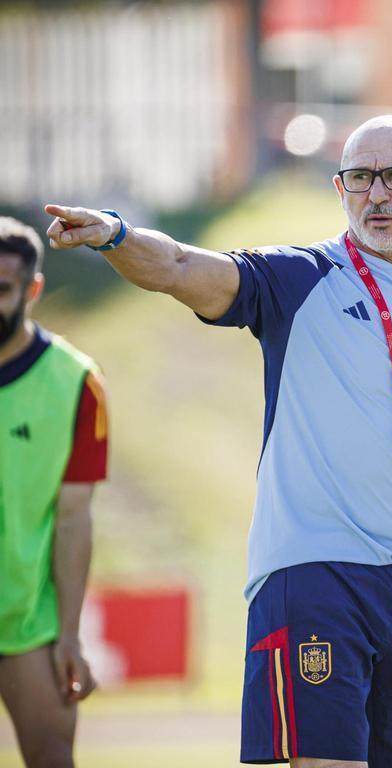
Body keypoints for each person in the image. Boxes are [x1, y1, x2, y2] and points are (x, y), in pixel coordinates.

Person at [43, 115, 392, 768]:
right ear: (340, 189)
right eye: (359, 178)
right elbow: (176, 265)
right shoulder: (297, 277)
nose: (377, 195)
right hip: (310, 572)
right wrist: (115, 235)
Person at [0, 216, 107, 767]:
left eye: (3, 290)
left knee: (52, 757)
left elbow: (73, 520)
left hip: (27, 622)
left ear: (32, 290)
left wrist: (70, 635)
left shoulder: (75, 382)